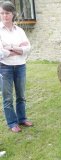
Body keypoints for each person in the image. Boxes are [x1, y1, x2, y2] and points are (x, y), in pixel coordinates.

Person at [0, 1, 32, 133]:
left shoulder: (20, 31)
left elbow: (28, 48)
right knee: (7, 98)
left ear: (13, 14)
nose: (4, 16)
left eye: (7, 13)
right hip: (4, 67)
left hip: (20, 66)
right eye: (2, 13)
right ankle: (12, 122)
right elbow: (1, 53)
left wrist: (10, 48)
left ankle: (22, 118)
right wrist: (19, 48)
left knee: (21, 95)